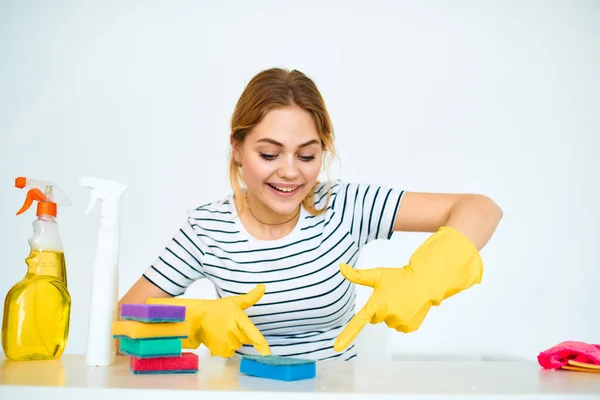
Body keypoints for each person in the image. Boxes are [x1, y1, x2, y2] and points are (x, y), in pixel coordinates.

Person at [118, 67, 503, 362]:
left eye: (307, 155)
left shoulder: (345, 206)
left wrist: (425, 277)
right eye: (269, 154)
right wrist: (194, 318)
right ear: (237, 148)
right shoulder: (207, 229)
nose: (290, 171)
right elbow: (122, 324)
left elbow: (480, 208)